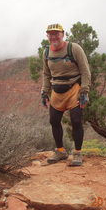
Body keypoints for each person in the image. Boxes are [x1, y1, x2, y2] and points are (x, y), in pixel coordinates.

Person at [41, 23, 91, 166]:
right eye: (51, 34)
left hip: (74, 89)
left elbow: (85, 71)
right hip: (56, 91)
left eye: (56, 33)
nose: (54, 36)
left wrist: (84, 91)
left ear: (63, 34)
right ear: (47, 36)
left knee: (76, 121)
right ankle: (61, 151)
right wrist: (44, 92)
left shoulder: (74, 48)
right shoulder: (46, 52)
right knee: (54, 121)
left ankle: (77, 153)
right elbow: (46, 74)